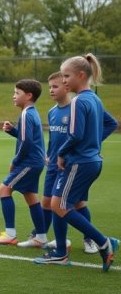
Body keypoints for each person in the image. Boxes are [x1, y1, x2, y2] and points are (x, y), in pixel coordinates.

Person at [34, 54, 119, 271]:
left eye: (66, 76)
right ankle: (62, 251)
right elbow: (110, 124)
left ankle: (102, 241)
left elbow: (75, 135)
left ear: (81, 75)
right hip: (90, 161)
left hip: (79, 162)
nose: (63, 81)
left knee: (59, 204)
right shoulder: (94, 99)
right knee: (64, 203)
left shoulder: (79, 101)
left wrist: (61, 154)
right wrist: (94, 142)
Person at [28, 72, 97, 253]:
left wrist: (94, 145)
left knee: (78, 204)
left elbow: (83, 134)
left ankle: (90, 239)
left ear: (67, 87)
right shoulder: (52, 112)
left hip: (72, 164)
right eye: (49, 87)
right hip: (53, 164)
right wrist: (49, 155)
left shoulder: (76, 107)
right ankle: (56, 239)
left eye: (55, 86)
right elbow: (53, 138)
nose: (51, 90)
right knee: (48, 202)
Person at [0, 79, 48, 247]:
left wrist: (15, 161)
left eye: (17, 93)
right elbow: (29, 138)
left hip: (29, 162)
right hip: (36, 162)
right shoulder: (31, 112)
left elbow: (27, 143)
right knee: (30, 196)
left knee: (4, 189)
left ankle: (10, 234)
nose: (13, 96)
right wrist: (13, 131)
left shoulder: (27, 114)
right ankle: (41, 237)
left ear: (28, 95)